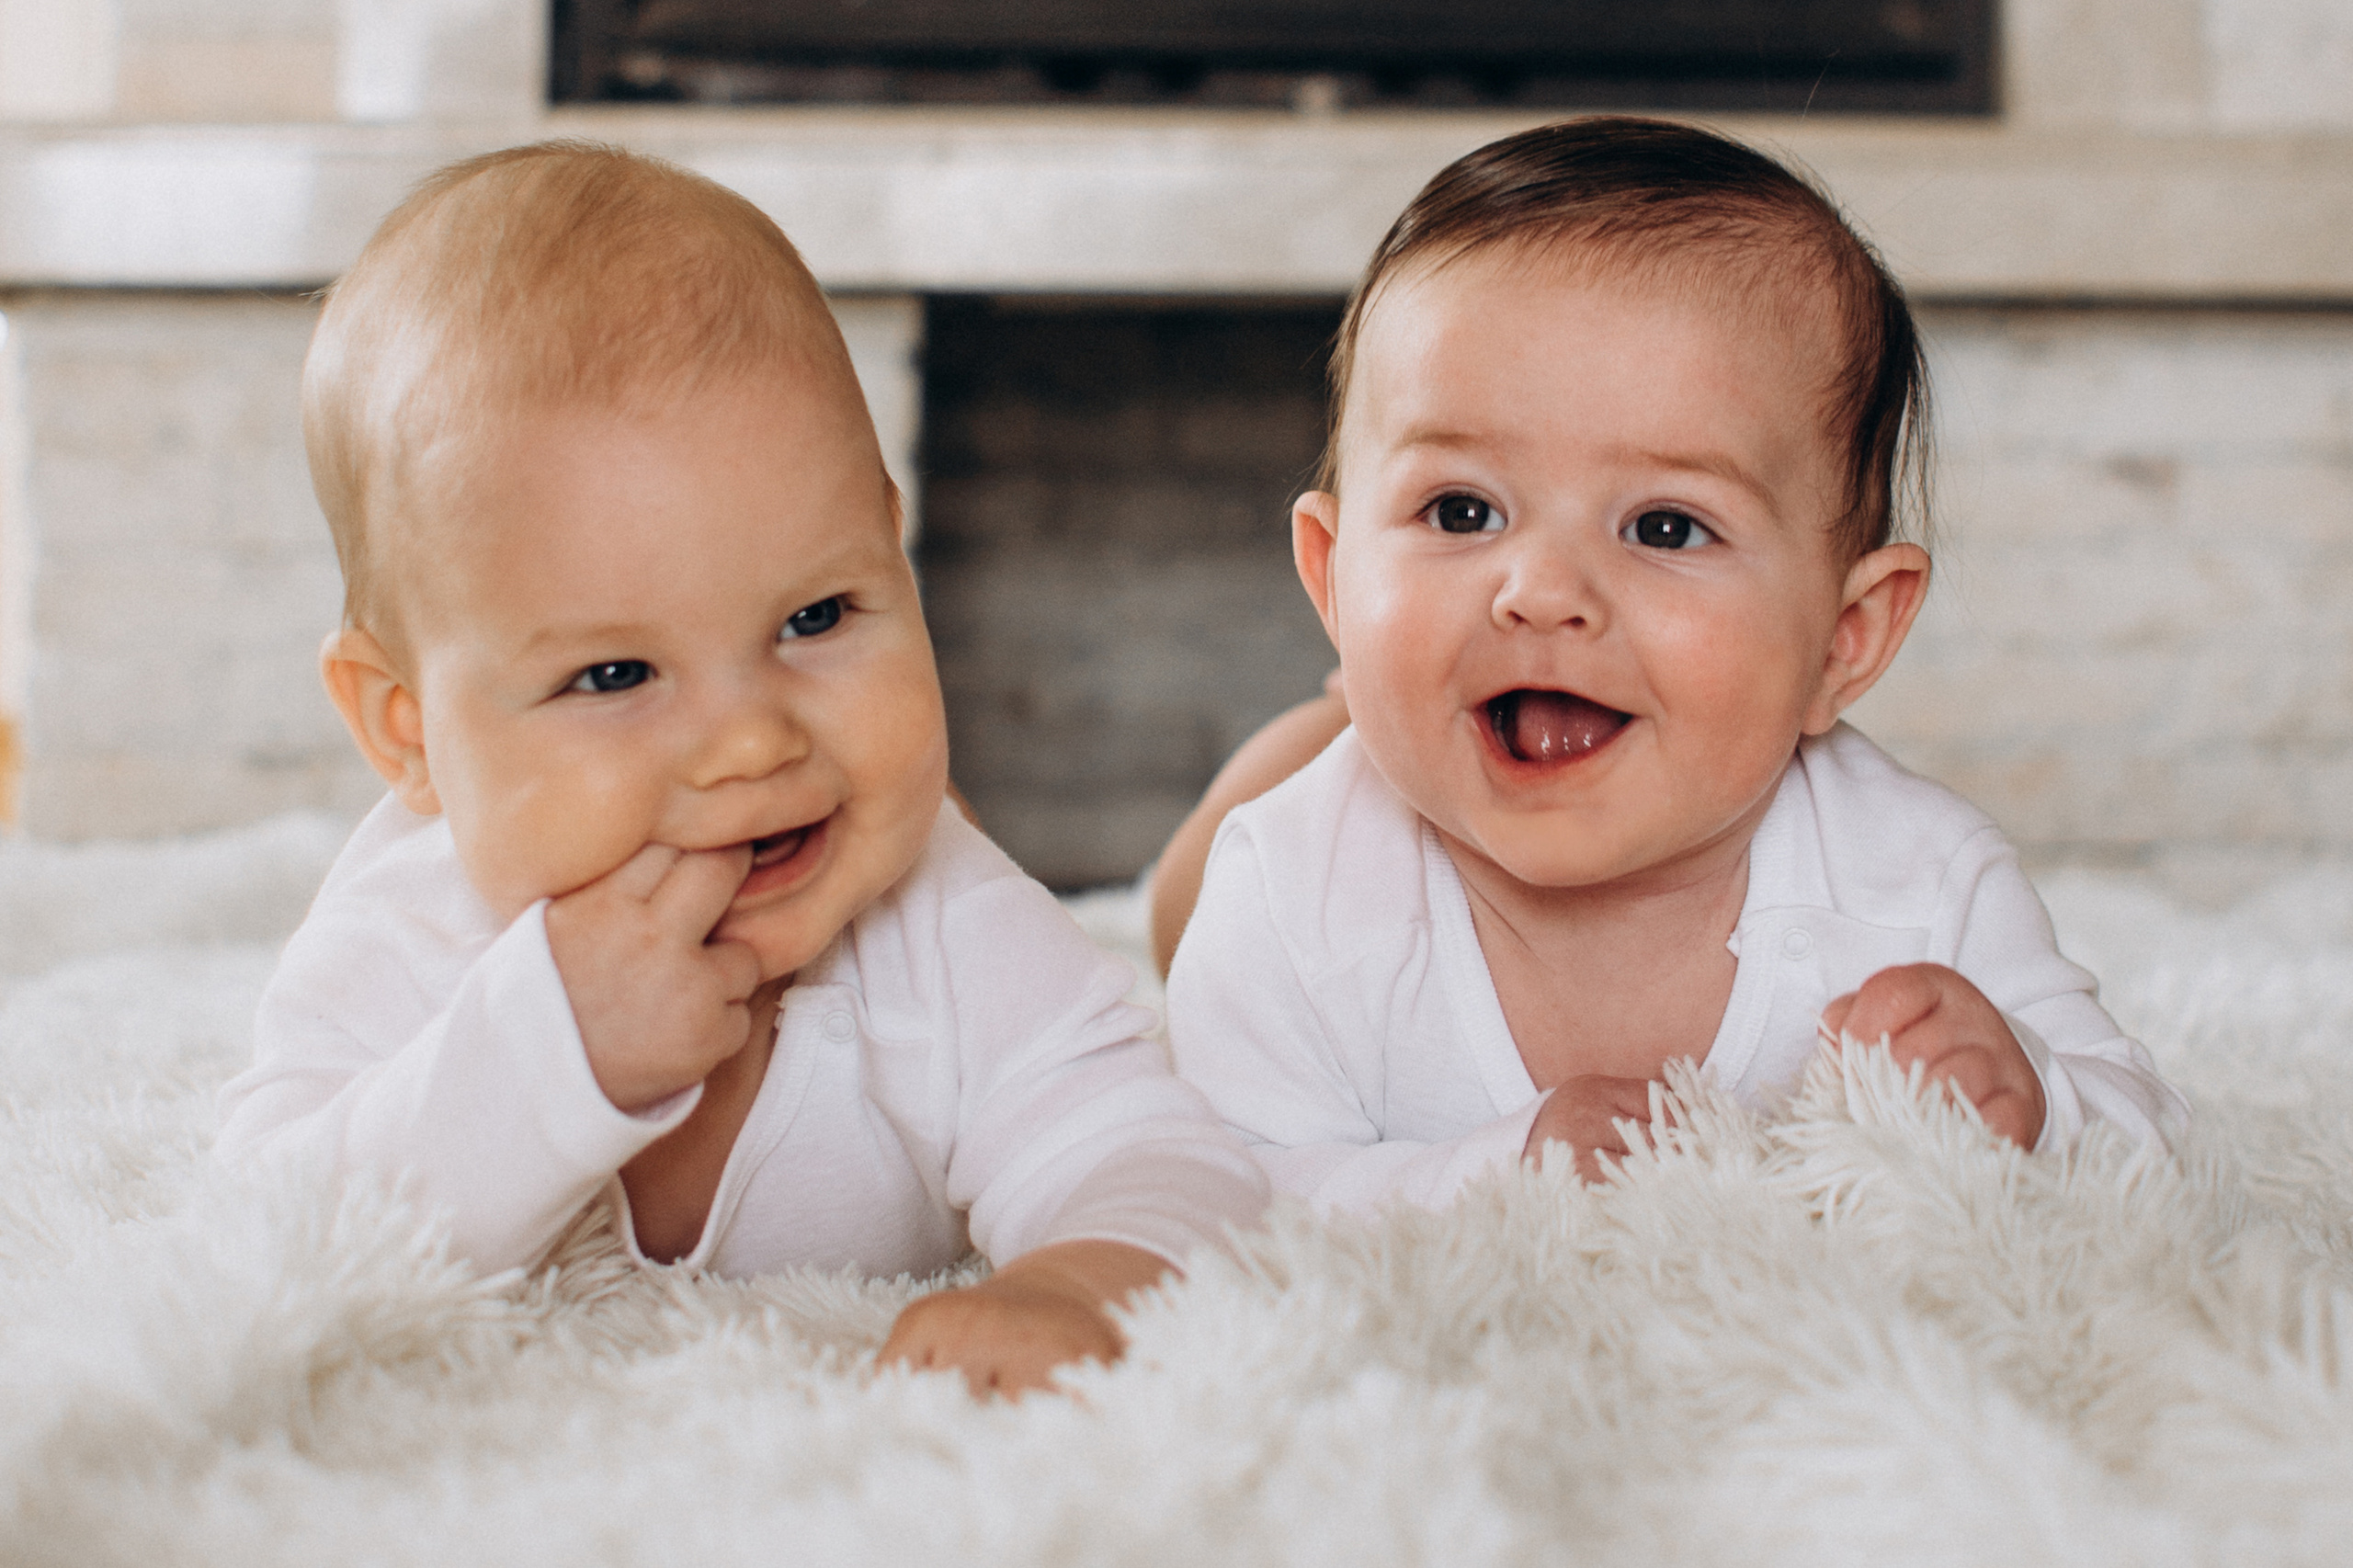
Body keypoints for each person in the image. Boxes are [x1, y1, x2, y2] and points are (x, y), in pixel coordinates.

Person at [214, 142, 1267, 1395]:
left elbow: (1161, 1150)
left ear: (893, 543)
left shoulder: (932, 913)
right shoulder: (406, 938)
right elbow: (267, 1253)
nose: (754, 743)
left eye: (817, 617)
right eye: (614, 677)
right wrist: (547, 1052)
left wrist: (1072, 1279)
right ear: (405, 730)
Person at [1161, 118, 2188, 1215]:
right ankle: (1318, 726)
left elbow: (2159, 1153)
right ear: (1330, 574)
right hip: (1274, 847)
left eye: (1664, 527)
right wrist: (1496, 1173)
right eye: (1462, 510)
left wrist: (2034, 1092)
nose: (1542, 589)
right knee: (1184, 907)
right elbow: (1214, 1193)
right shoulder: (1290, 888)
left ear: (1844, 641)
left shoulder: (1917, 885)